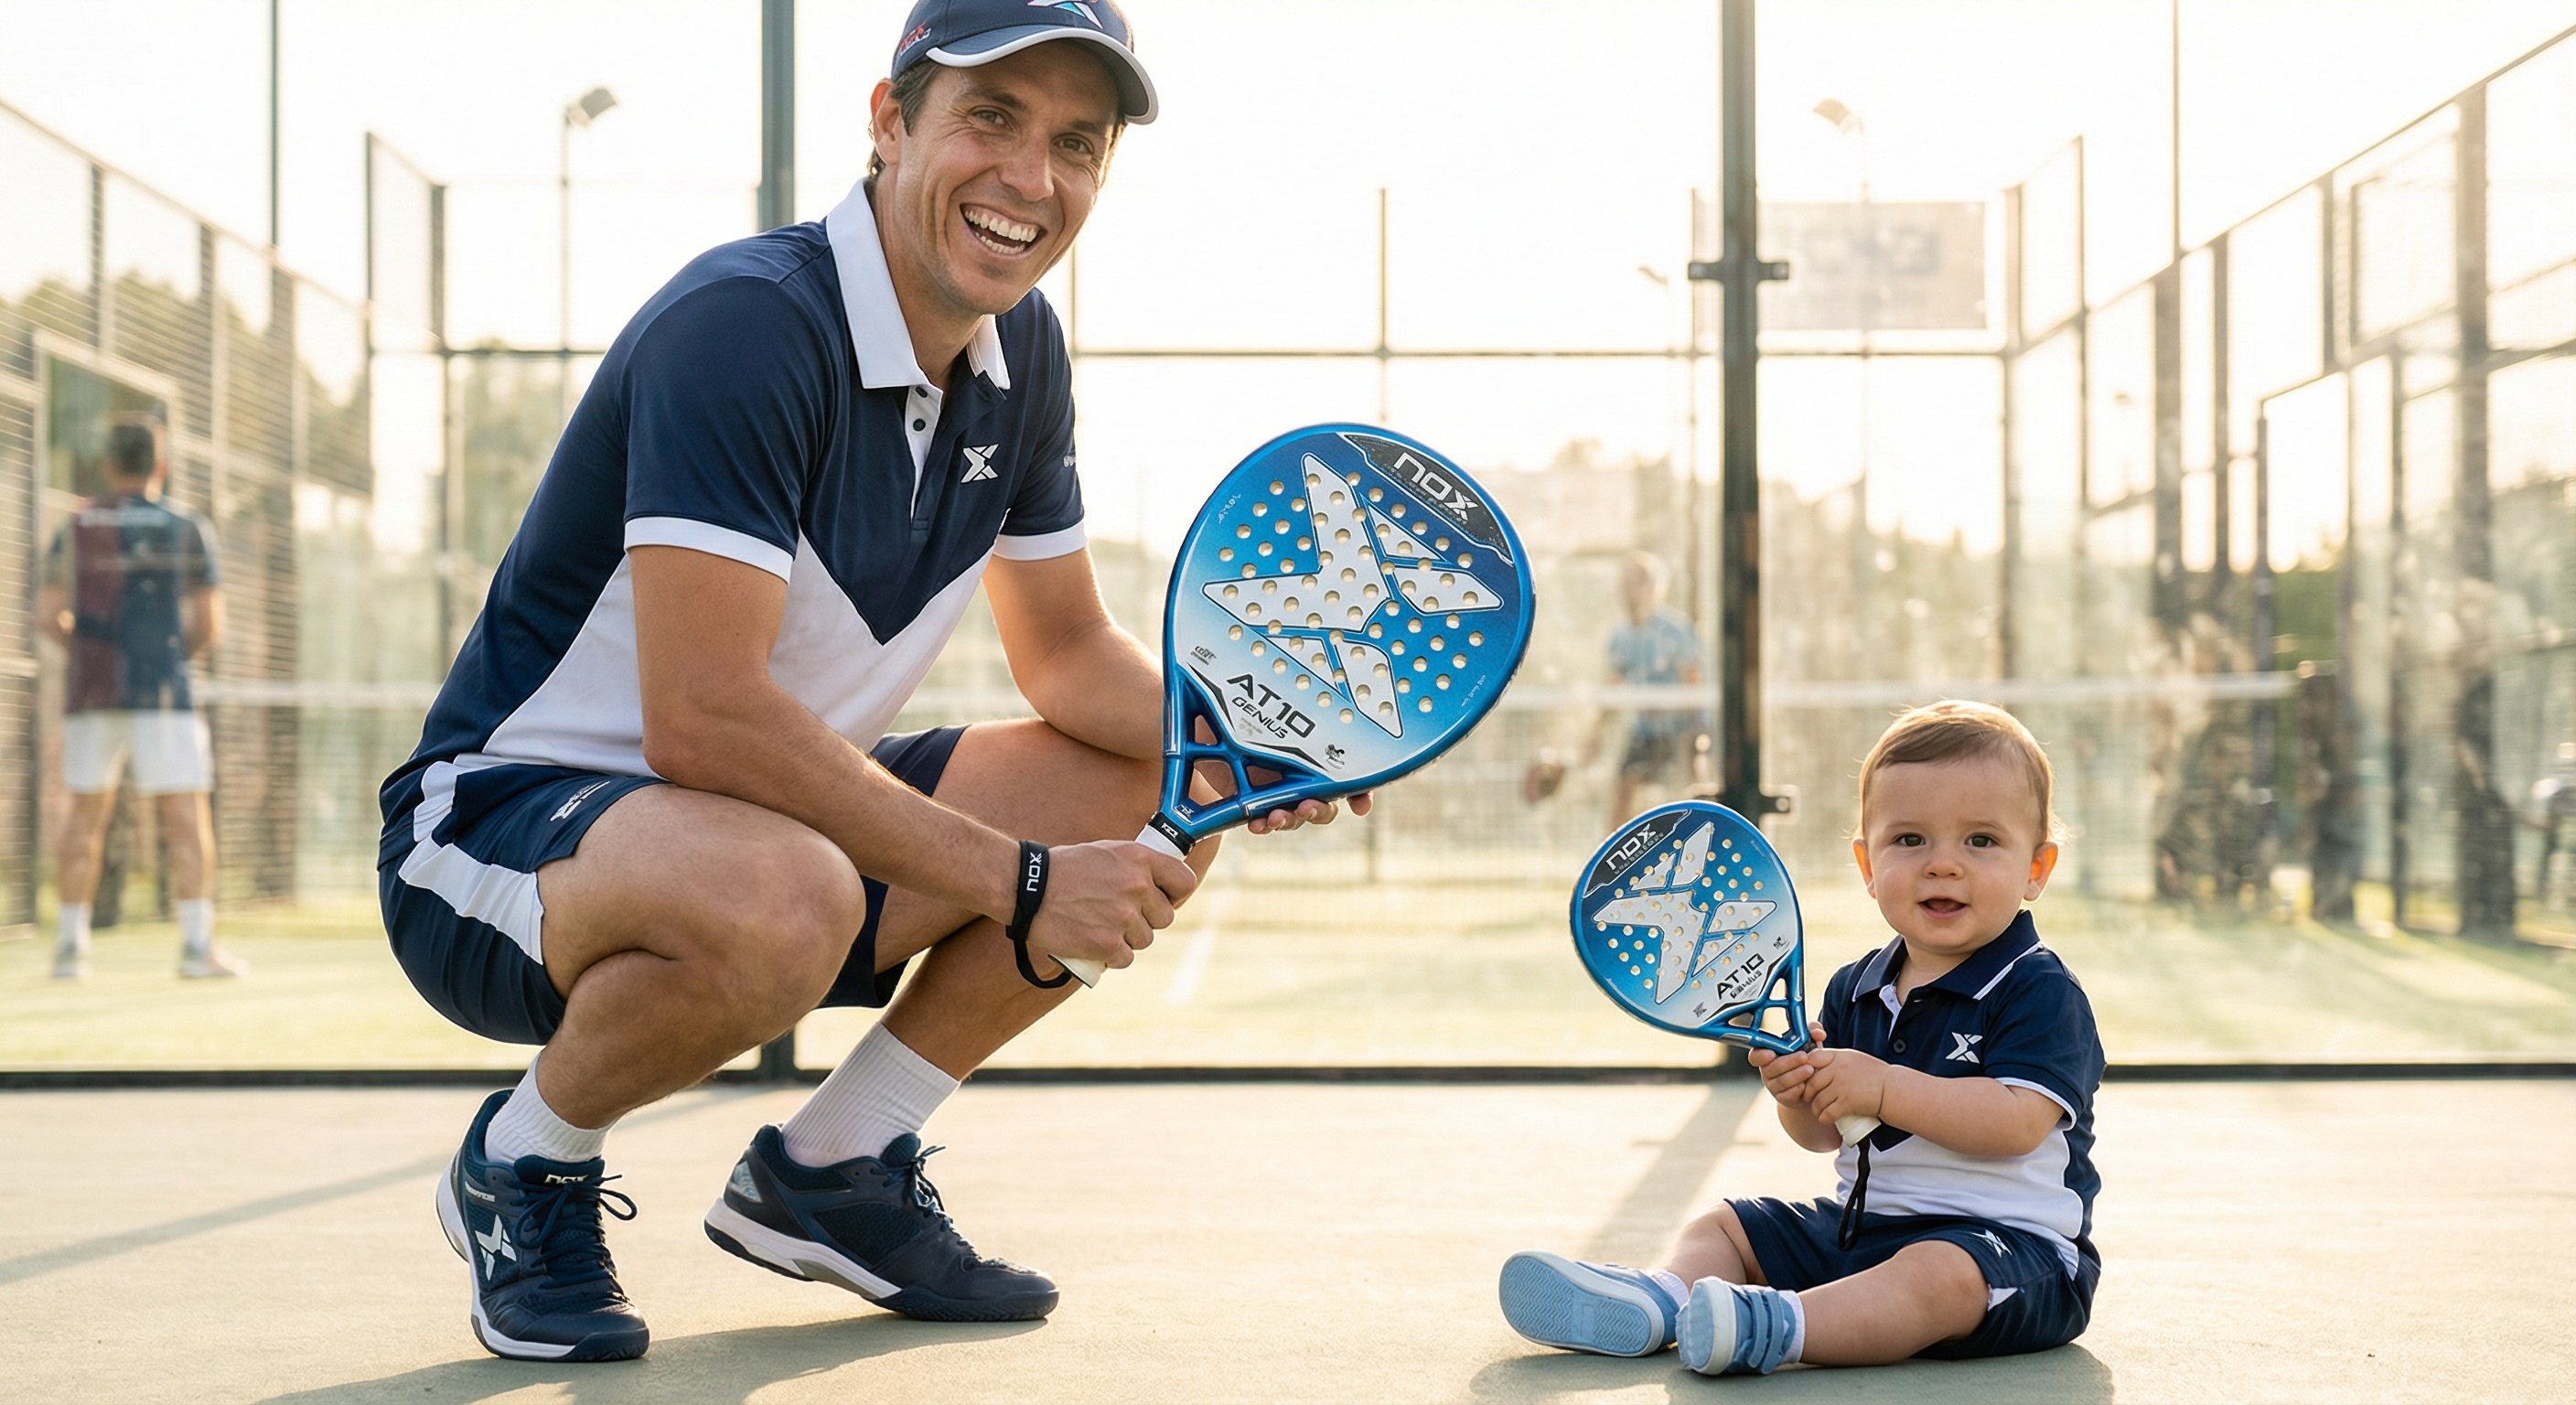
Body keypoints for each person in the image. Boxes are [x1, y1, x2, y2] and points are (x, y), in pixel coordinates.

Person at [380, 0, 1358, 1365]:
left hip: (767, 834)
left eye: (1077, 144)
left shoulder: (1026, 361)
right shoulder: (747, 325)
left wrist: (1244, 745)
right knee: (793, 889)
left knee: (1143, 775)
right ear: (891, 122)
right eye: (993, 120)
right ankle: (525, 1162)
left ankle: (835, 1166)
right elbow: (704, 713)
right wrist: (1021, 881)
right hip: (492, 843)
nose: (1033, 179)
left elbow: (1068, 656)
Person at [1498, 701, 2101, 1375]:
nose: (1943, 865)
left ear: (2037, 868)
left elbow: (2017, 1124)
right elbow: (1823, 1136)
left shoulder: (2039, 988)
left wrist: (1880, 1083)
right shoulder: (1856, 985)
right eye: (1909, 841)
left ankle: (1777, 1326)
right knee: (1727, 1224)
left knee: (1934, 1276)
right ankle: (1666, 1299)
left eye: (1981, 841)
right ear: (1866, 864)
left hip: (2013, 1252)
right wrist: (1796, 1094)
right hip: (1863, 1230)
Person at [39, 416, 237, 981]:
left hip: (90, 691)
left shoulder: (75, 524)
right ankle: (198, 950)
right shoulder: (188, 526)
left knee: (83, 812)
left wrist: (88, 654)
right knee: (184, 816)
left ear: (108, 465)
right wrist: (166, 659)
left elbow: (47, 615)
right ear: (161, 466)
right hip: (163, 691)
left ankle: (69, 951)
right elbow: (209, 625)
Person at [1588, 551, 1708, 826]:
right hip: (1645, 733)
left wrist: (1697, 738)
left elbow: (1695, 684)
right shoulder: (1621, 636)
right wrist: (1596, 736)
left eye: (1638, 581)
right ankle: (1610, 864)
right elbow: (1613, 692)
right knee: (1622, 795)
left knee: (1691, 804)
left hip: (1680, 732)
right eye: (1626, 581)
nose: (1630, 589)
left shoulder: (1675, 631)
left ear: (1655, 587)